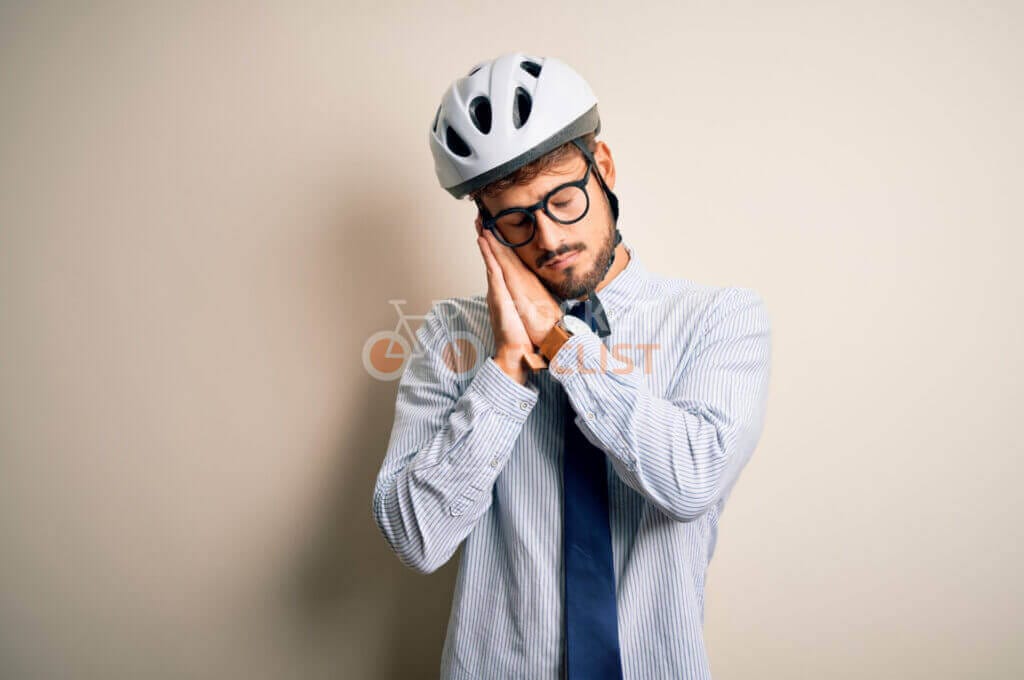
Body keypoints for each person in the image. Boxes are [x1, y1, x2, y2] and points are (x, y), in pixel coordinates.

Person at [372, 51, 772, 679]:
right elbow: (416, 539)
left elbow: (692, 480)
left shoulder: (718, 319)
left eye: (562, 200)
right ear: (487, 229)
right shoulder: (451, 334)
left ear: (602, 169)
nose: (550, 239)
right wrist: (505, 368)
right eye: (516, 218)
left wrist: (560, 342)